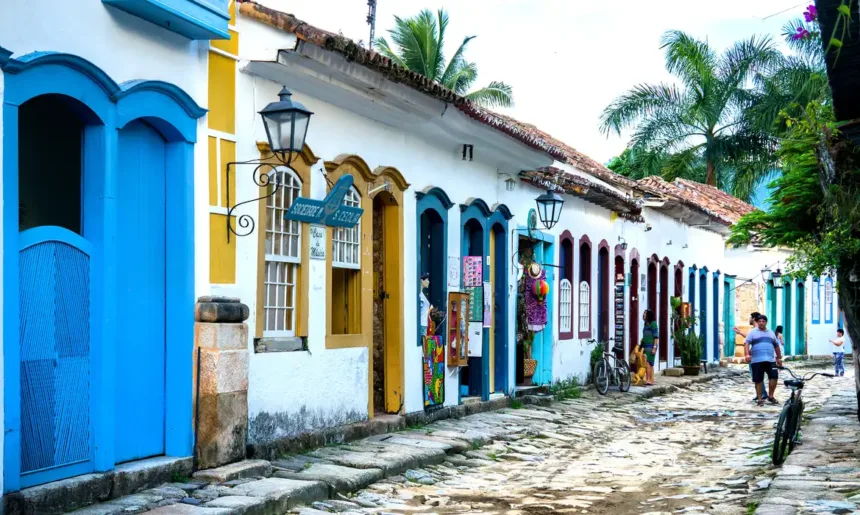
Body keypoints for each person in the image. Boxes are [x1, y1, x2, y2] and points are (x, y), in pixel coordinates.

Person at [744, 315, 783, 406]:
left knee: (774, 376)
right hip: (757, 360)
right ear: (757, 322)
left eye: (763, 321)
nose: (761, 323)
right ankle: (760, 399)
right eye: (760, 321)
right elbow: (746, 343)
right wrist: (746, 354)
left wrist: (779, 358)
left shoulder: (771, 333)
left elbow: (776, 345)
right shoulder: (752, 333)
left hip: (771, 360)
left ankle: (771, 396)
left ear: (766, 322)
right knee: (758, 380)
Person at [736, 312, 767, 401]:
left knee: (758, 376)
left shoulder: (757, 329)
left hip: (755, 356)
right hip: (755, 355)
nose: (749, 319)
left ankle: (762, 393)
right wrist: (740, 332)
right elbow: (750, 337)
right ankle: (760, 393)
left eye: (750, 317)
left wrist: (748, 354)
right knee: (756, 376)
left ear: (753, 319)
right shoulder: (755, 330)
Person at [640, 309, 658, 386]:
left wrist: (654, 347)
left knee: (649, 363)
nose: (644, 314)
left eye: (645, 313)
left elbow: (656, 337)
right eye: (644, 313)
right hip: (645, 346)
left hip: (651, 347)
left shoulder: (653, 324)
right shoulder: (645, 324)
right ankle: (649, 379)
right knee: (647, 363)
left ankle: (650, 380)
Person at [419, 273, 435, 337]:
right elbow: (421, 312)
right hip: (422, 323)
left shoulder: (421, 294)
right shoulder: (420, 295)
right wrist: (430, 309)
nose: (429, 282)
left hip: (424, 323)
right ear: (422, 280)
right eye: (427, 280)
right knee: (423, 343)